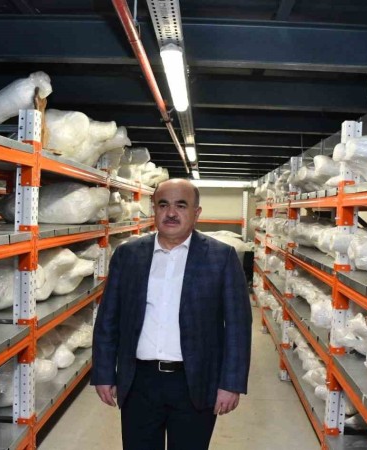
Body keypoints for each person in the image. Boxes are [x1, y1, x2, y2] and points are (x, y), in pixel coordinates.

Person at [92, 178, 252, 450]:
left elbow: (238, 326)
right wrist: (104, 373)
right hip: (139, 382)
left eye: (181, 205)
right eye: (163, 205)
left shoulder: (221, 257)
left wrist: (231, 384)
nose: (171, 213)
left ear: (196, 213)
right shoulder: (128, 255)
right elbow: (108, 319)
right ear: (154, 209)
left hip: (195, 382)